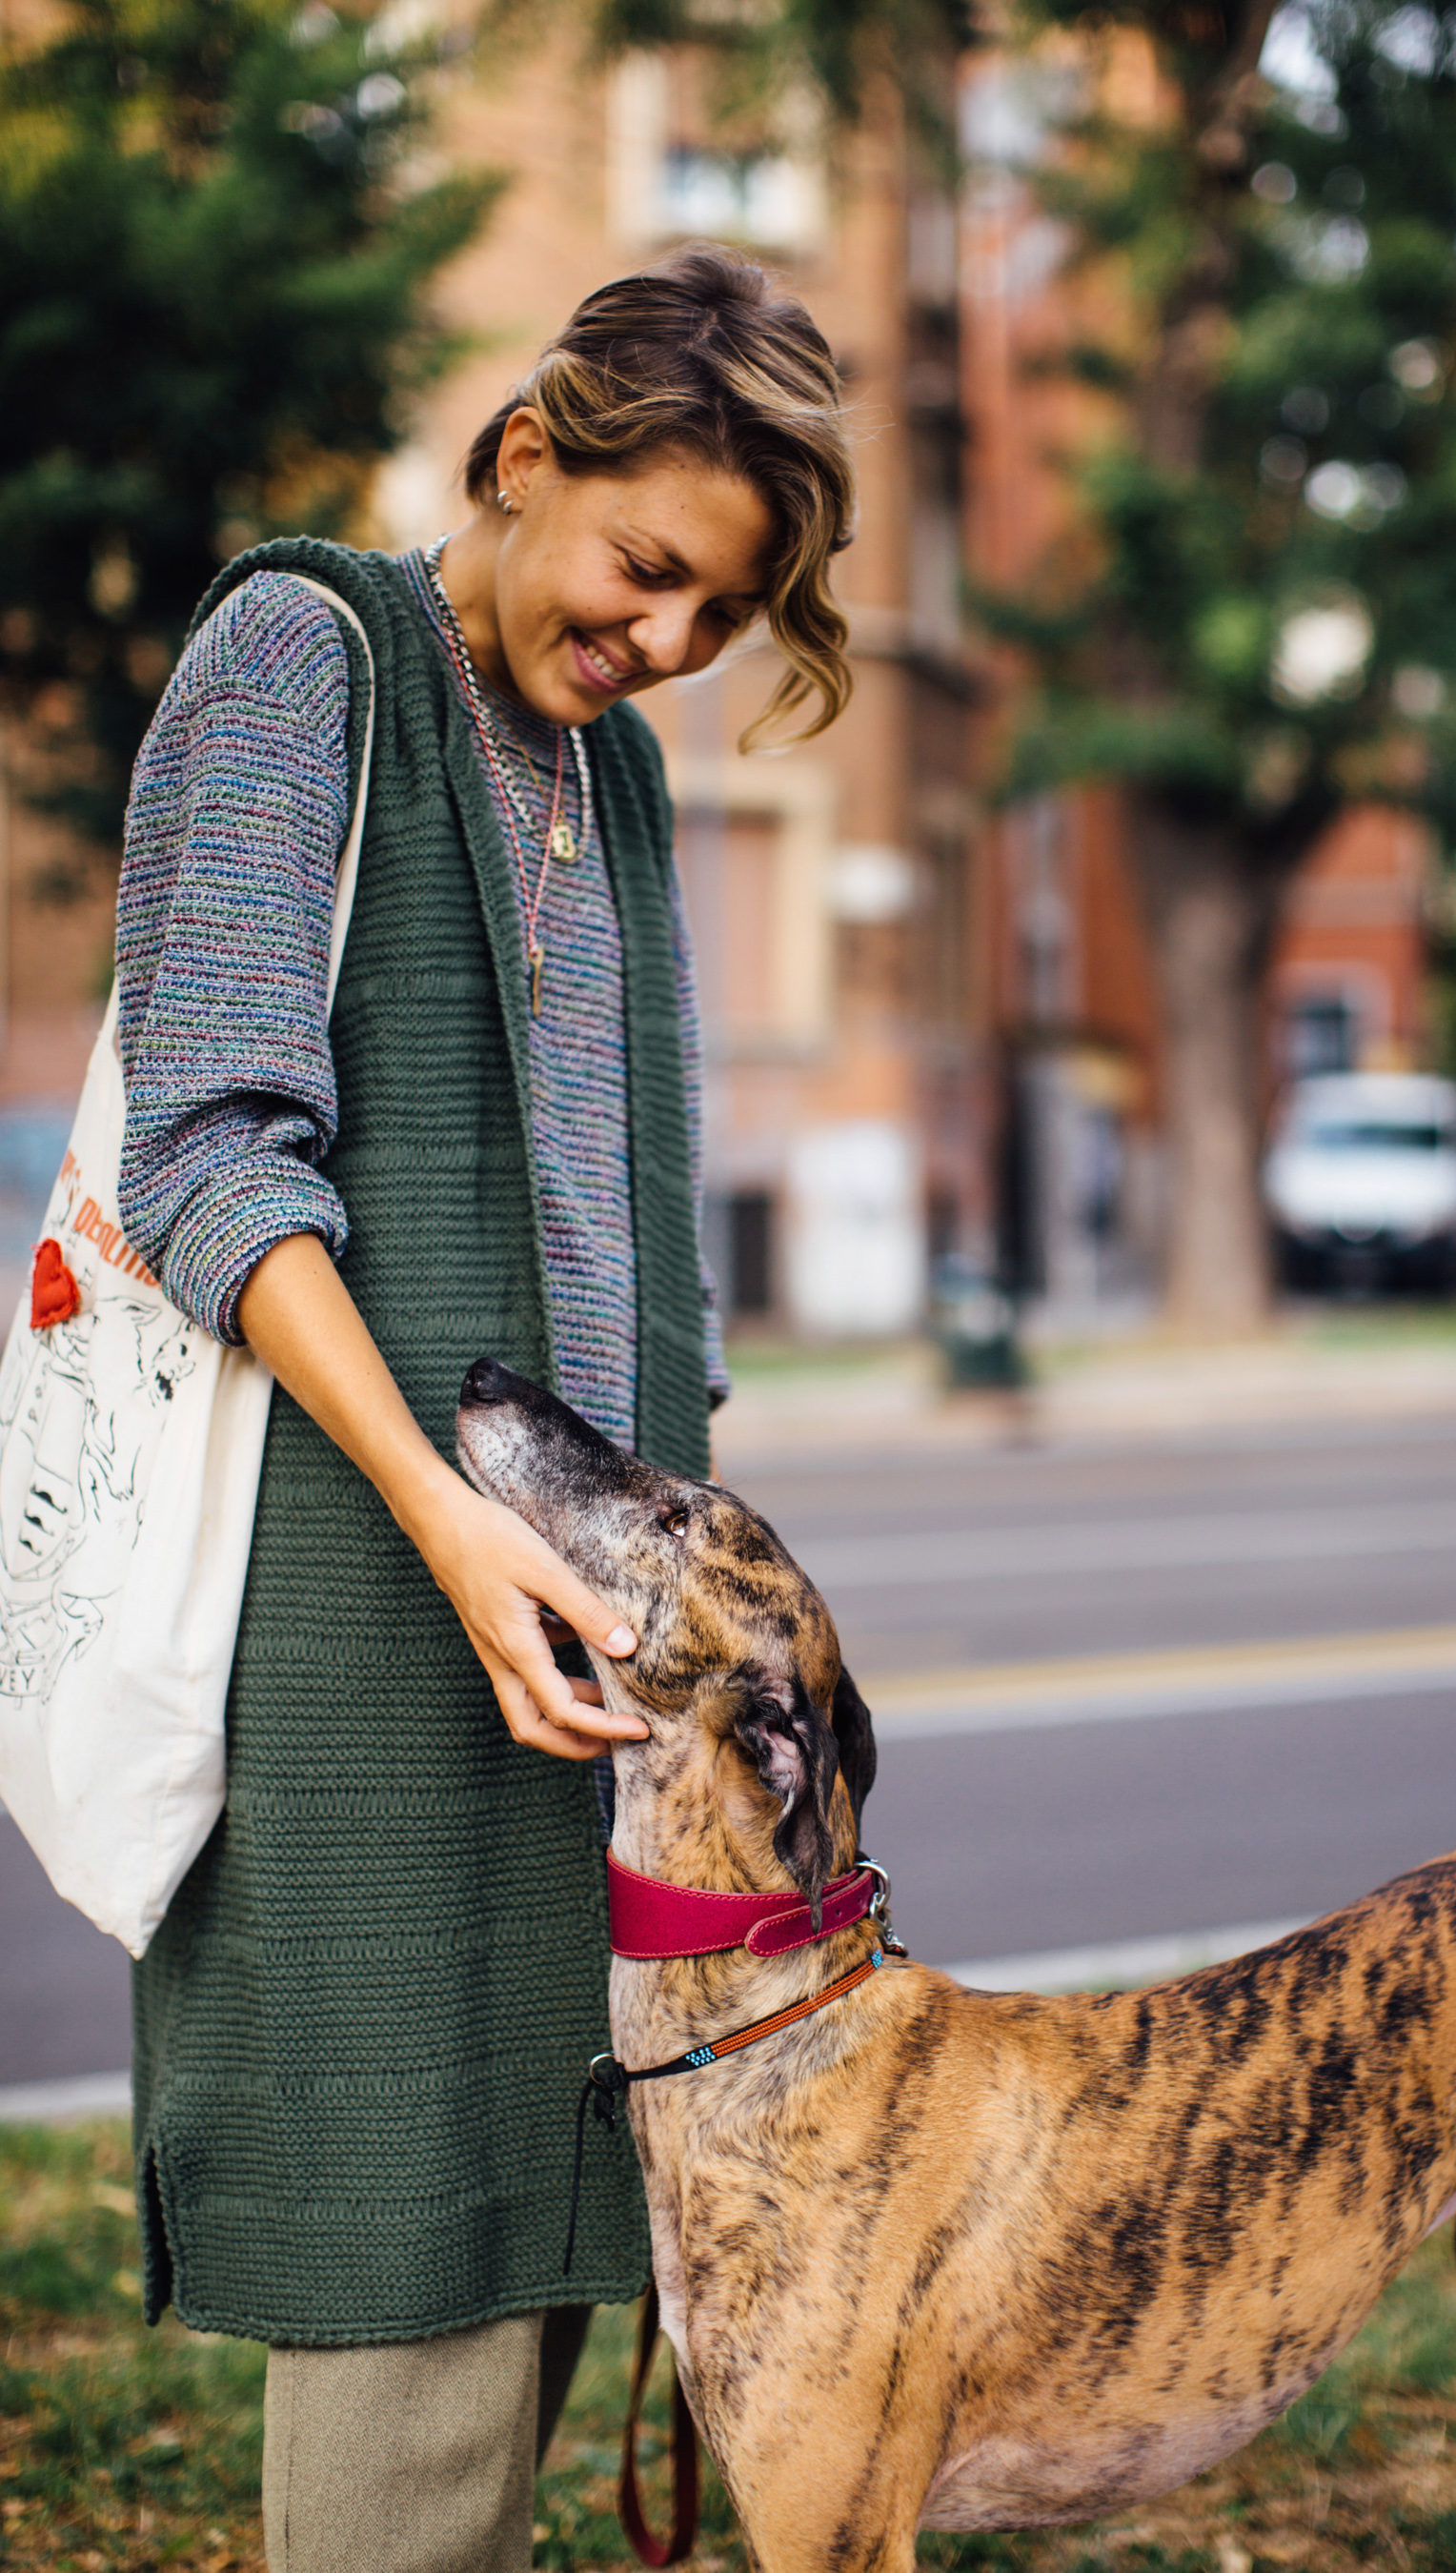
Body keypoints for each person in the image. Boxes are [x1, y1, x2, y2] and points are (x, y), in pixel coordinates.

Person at [112, 241, 856, 2572]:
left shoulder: (611, 774)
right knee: (410, 2258)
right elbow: (212, 1157)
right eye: (648, 571)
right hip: (374, 1588)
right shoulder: (301, 657)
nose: (662, 645)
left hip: (592, 1617)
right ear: (529, 456)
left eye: (719, 619)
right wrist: (452, 1525)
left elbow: (639, 1232)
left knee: (558, 2225)